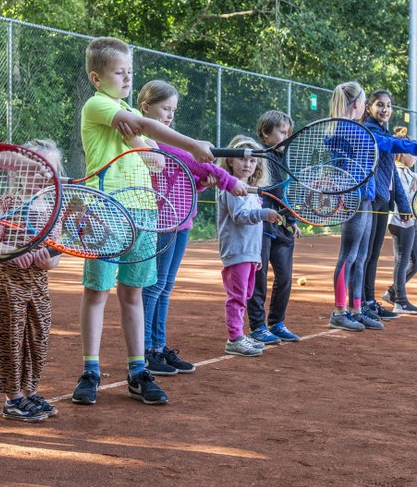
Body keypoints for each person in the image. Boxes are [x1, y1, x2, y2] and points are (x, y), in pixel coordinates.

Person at [71, 37, 213, 406]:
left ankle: (137, 371)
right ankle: (90, 371)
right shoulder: (98, 104)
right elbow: (146, 129)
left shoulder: (124, 113)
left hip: (142, 211)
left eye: (130, 71)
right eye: (119, 72)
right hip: (106, 209)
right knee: (97, 292)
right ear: (96, 77)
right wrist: (193, 145)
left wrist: (144, 143)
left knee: (133, 293)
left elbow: (156, 157)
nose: (127, 78)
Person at [137, 80, 247, 376]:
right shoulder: (153, 140)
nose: (170, 114)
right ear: (146, 108)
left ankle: (159, 347)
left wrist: (202, 184)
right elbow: (201, 164)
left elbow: (185, 180)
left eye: (173, 109)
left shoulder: (171, 141)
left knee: (166, 287)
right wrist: (231, 181)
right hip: (163, 224)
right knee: (155, 287)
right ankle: (146, 350)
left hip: (182, 221)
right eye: (165, 108)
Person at [328, 84, 417, 332]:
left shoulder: (355, 128)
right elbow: (389, 145)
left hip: (367, 197)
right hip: (355, 198)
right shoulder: (349, 129)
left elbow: (388, 144)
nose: (384, 109)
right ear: (360, 104)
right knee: (349, 256)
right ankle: (340, 310)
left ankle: (357, 309)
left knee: (360, 256)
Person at [0, 139, 64, 423]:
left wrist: (49, 261)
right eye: (35, 167)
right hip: (9, 285)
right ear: (19, 169)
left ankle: (30, 391)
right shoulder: (7, 202)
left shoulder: (54, 207)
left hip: (38, 286)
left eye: (48, 170)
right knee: (12, 339)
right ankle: (13, 397)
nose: (41, 175)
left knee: (38, 338)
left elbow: (57, 254)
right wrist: (12, 254)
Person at [359, 90, 417, 322]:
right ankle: (362, 303)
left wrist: (403, 204)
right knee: (366, 255)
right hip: (371, 199)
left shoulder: (383, 132)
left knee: (373, 255)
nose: (385, 109)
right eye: (380, 105)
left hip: (383, 200)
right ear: (368, 107)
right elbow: (394, 145)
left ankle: (368, 302)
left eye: (388, 105)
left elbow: (392, 178)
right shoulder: (370, 131)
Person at [216, 136, 283, 356]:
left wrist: (256, 256)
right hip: (237, 251)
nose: (247, 164)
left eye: (253, 160)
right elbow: (240, 216)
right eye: (243, 159)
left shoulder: (251, 190)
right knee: (237, 295)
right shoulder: (232, 188)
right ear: (230, 162)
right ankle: (234, 338)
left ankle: (240, 334)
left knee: (245, 294)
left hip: (249, 253)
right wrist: (264, 214)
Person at [247, 110, 303, 345]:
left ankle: (277, 322)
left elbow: (285, 194)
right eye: (282, 131)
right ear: (265, 133)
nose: (286, 136)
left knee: (285, 277)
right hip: (261, 226)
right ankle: (258, 326)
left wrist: (292, 221)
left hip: (282, 227)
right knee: (258, 278)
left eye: (289, 132)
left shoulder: (284, 160)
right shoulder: (257, 159)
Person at [384, 133, 417, 314]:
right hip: (399, 221)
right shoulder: (395, 171)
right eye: (412, 151)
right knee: (402, 260)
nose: (415, 156)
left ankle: (393, 291)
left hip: (411, 222)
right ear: (401, 153)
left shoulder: (412, 174)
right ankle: (400, 301)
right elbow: (399, 198)